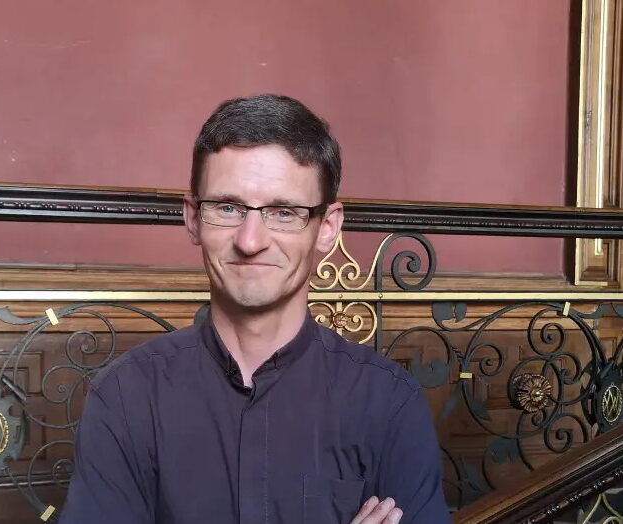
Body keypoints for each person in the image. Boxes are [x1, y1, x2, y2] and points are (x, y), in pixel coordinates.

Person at [59, 94, 451, 523]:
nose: (250, 241)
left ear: (327, 228)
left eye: (284, 212)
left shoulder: (389, 402)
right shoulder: (124, 396)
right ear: (192, 218)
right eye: (227, 208)